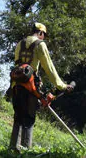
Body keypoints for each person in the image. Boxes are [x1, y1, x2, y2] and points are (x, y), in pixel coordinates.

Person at [9, 22, 73, 151]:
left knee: (18, 118)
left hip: (16, 86)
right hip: (30, 87)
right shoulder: (40, 44)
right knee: (28, 119)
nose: (43, 37)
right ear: (40, 33)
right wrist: (61, 86)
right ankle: (25, 151)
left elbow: (18, 66)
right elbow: (49, 68)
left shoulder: (19, 44)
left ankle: (13, 150)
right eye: (43, 35)